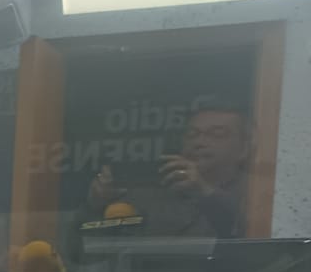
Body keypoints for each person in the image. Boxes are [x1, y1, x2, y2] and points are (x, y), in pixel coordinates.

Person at [77, 97, 254, 243]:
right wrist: (94, 208)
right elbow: (80, 254)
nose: (199, 142)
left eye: (217, 134)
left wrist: (204, 192)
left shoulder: (256, 194)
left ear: (244, 149)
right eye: (192, 134)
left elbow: (245, 232)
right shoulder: (154, 195)